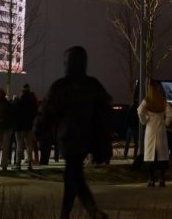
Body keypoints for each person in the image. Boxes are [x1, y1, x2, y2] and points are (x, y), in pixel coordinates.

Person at [36, 46, 111, 219]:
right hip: (86, 137)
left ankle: (91, 209)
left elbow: (47, 110)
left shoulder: (61, 86)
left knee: (73, 172)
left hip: (68, 137)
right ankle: (65, 212)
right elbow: (104, 112)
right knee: (72, 172)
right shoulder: (93, 85)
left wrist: (39, 129)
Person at [139, 80, 172, 187]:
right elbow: (170, 113)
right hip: (161, 130)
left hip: (150, 130)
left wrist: (144, 120)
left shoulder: (147, 100)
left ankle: (151, 180)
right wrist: (165, 122)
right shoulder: (162, 101)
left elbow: (140, 111)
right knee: (161, 156)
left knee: (150, 156)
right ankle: (162, 179)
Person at [15, 84, 38, 170]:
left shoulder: (19, 100)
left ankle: (18, 163)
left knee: (19, 146)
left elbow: (16, 113)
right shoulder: (32, 102)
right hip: (29, 126)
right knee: (29, 145)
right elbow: (35, 113)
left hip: (20, 127)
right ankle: (29, 163)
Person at [0, 87, 14, 171]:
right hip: (7, 127)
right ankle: (4, 165)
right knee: (5, 146)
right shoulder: (8, 104)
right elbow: (11, 115)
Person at [34, 98, 55, 165]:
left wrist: (36, 132)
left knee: (43, 148)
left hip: (43, 133)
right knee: (47, 149)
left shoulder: (40, 113)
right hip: (49, 133)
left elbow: (37, 123)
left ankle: (43, 161)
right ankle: (45, 161)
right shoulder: (51, 112)